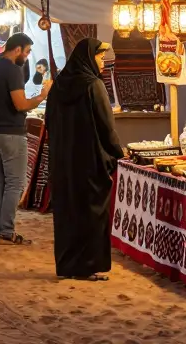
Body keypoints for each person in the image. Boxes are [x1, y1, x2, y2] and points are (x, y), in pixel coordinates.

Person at [46, 38, 124, 281]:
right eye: (100, 57)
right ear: (89, 57)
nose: (102, 62)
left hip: (63, 161)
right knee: (90, 214)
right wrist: (118, 153)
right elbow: (106, 126)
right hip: (89, 162)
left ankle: (68, 265)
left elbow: (49, 122)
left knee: (68, 213)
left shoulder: (58, 86)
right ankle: (86, 266)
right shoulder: (93, 85)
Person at [0, 32, 51, 245]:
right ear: (17, 49)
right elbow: (21, 104)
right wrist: (42, 95)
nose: (26, 57)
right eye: (26, 52)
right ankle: (7, 230)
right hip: (11, 134)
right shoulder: (12, 70)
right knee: (15, 183)